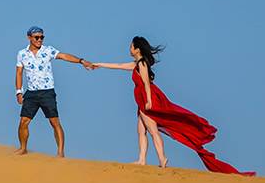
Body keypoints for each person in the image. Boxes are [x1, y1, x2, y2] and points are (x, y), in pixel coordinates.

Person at [92, 36, 254, 175]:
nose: (129, 48)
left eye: (131, 46)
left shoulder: (141, 64)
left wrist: (148, 100)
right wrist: (98, 64)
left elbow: (147, 83)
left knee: (153, 131)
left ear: (137, 48)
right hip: (142, 100)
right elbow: (119, 66)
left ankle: (162, 159)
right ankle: (142, 159)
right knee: (141, 130)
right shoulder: (136, 64)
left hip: (146, 99)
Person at [15, 26, 94, 157]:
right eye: (37, 37)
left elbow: (64, 56)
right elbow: (19, 73)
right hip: (31, 93)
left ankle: (60, 152)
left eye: (42, 37)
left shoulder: (48, 50)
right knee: (23, 121)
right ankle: (23, 148)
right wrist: (18, 91)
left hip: (47, 92)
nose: (40, 40)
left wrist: (81, 61)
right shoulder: (22, 54)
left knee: (54, 122)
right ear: (29, 38)